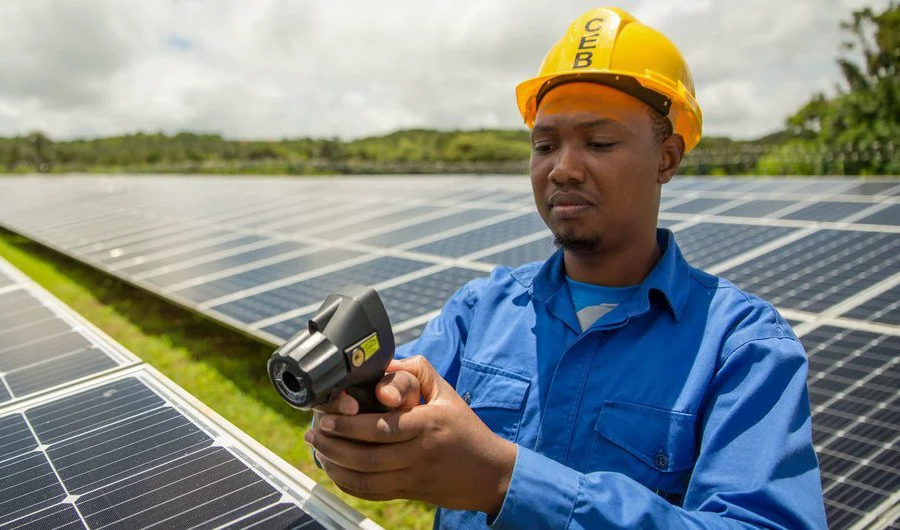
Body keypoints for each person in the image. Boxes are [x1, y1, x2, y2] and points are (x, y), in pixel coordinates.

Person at [304, 7, 826, 529]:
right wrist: (360, 417)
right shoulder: (479, 310)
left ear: (667, 158)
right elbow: (394, 407)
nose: (563, 168)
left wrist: (503, 480)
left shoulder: (744, 348)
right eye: (544, 145)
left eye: (599, 143)